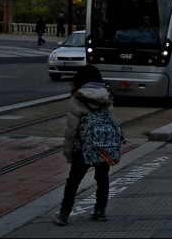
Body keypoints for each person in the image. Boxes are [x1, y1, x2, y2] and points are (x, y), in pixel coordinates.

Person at [53, 65, 115, 225]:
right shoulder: (106, 95)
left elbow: (71, 129)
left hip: (83, 147)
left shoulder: (77, 97)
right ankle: (100, 210)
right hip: (103, 145)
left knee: (73, 180)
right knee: (102, 178)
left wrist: (68, 153)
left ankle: (64, 214)